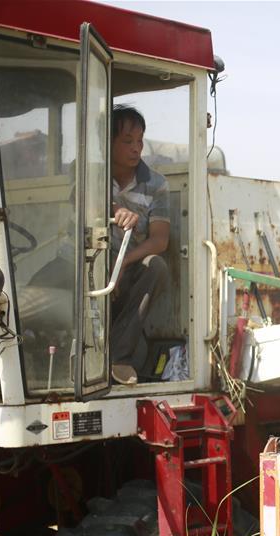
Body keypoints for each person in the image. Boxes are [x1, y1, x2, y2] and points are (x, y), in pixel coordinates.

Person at [108, 105, 171, 385]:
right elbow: (82, 203)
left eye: (140, 141)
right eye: (127, 141)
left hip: (128, 266)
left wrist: (123, 263)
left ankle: (118, 358)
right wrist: (114, 209)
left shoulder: (156, 184)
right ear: (105, 143)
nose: (136, 149)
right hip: (85, 261)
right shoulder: (87, 172)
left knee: (155, 266)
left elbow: (160, 239)